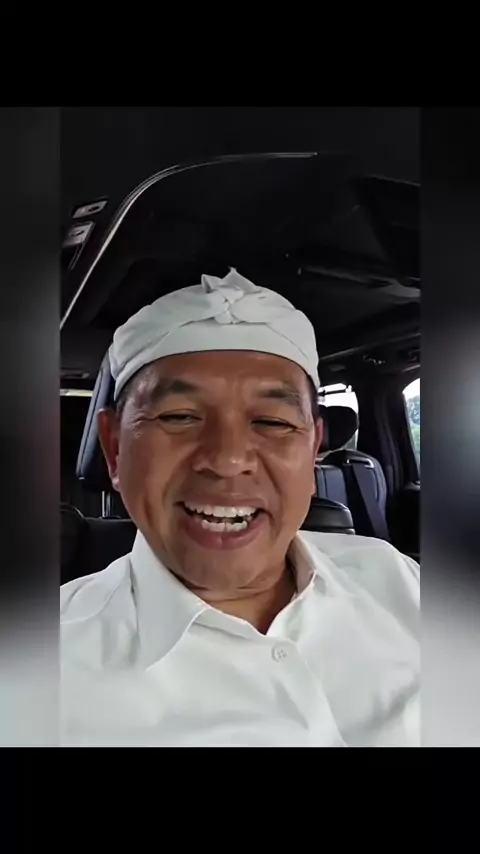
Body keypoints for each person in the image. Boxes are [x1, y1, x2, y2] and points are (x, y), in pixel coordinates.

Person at [61, 269, 419, 747]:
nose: (228, 460)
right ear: (115, 450)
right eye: (179, 417)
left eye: (272, 422)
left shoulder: (398, 580)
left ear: (313, 449)